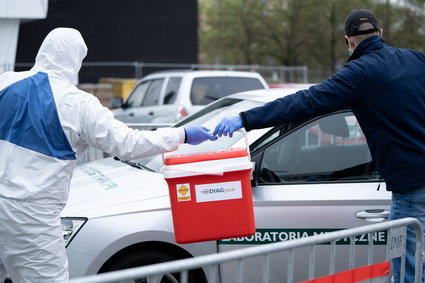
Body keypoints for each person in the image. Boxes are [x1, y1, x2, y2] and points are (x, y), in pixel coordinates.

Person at [214, 9, 425, 282]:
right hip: (413, 182)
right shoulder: (416, 59)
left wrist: (246, 119)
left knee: (408, 272)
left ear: (348, 41)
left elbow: (304, 102)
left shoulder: (359, 73)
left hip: (411, 188)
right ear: (381, 34)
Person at [0, 28, 217, 283]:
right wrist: (182, 135)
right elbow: (129, 144)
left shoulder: (6, 82)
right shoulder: (78, 104)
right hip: (32, 216)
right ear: (77, 59)